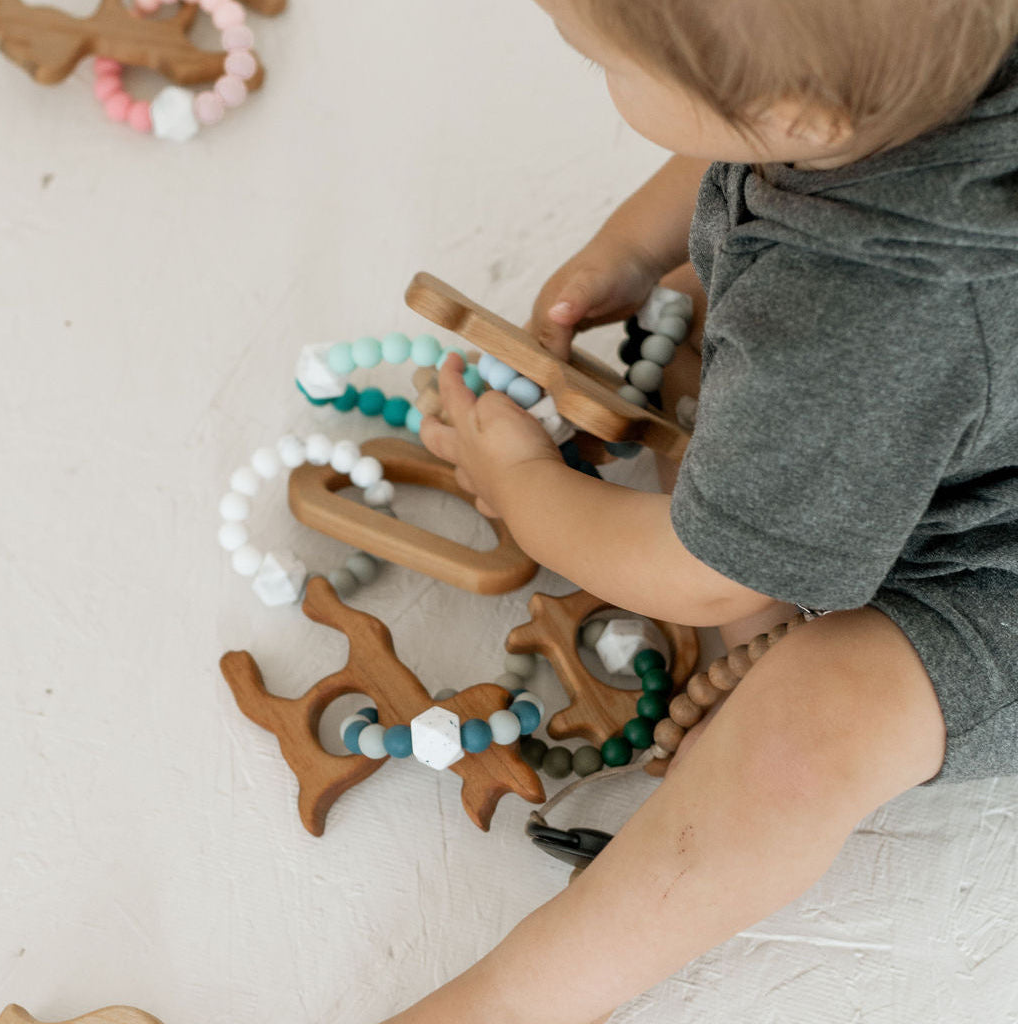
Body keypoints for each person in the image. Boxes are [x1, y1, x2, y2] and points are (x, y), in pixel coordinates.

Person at [392, 1, 1018, 1021]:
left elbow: (701, 573)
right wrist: (631, 249)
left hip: (996, 570)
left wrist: (526, 489)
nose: (598, 77)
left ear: (799, 117)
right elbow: (739, 140)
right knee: (703, 333)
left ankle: (515, 999)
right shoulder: (910, 70)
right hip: (956, 393)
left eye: (604, 66)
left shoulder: (850, 316)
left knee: (813, 728)